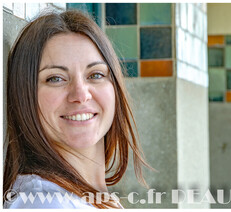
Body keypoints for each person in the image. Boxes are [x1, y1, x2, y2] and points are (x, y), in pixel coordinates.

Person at [3, 9, 149, 209]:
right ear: (24, 95)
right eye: (55, 78)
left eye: (95, 74)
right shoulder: (43, 204)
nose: (81, 95)